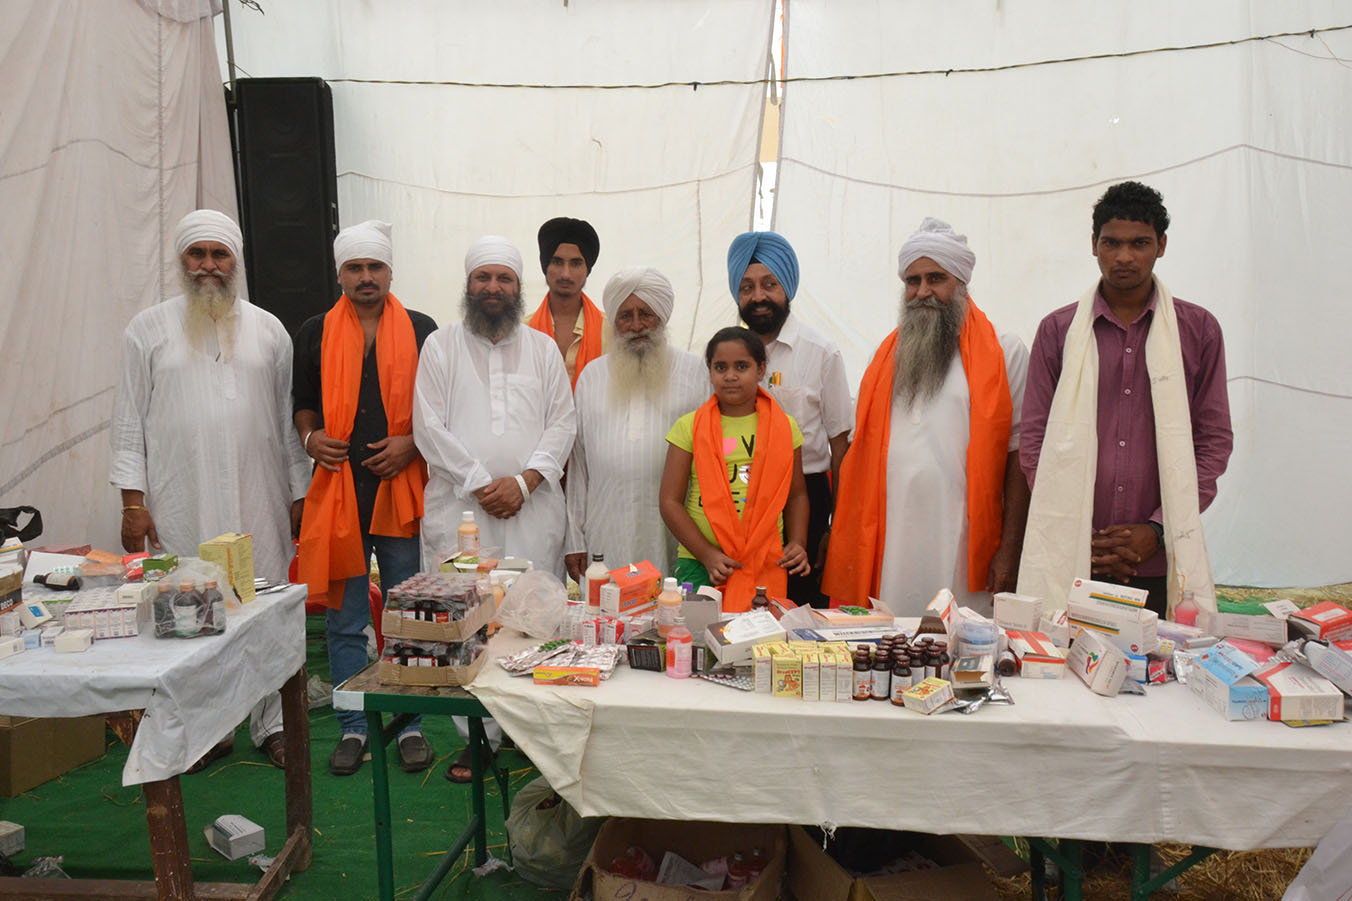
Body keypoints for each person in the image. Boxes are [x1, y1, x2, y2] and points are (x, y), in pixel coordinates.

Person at [110, 209, 310, 771]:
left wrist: (299, 494)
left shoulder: (269, 330)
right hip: (182, 498)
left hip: (258, 496)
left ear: (235, 261)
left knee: (263, 608)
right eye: (197, 254)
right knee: (188, 611)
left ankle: (270, 724)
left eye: (219, 254)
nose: (208, 266)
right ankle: (205, 729)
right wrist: (132, 502)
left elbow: (286, 423)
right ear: (181, 262)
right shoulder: (147, 329)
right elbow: (127, 422)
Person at [1019, 182, 1232, 616]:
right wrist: (1079, 531)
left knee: (1159, 658)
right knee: (1061, 656)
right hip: (1073, 555)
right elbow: (1035, 440)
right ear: (1093, 245)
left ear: (1162, 246)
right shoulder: (1058, 331)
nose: (1124, 257)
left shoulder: (1198, 330)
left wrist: (1157, 528)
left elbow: (1213, 441)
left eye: (1139, 243)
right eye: (1112, 243)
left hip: (1157, 559)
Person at [414, 236, 575, 781]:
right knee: (469, 619)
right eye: (483, 277)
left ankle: (532, 731)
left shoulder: (544, 349)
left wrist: (524, 483)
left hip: (532, 507)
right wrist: (484, 483)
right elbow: (427, 427)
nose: (493, 287)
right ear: (468, 285)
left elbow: (563, 424)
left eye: (503, 278)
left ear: (518, 287)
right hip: (463, 509)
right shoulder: (440, 346)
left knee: (534, 614)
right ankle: (478, 738)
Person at [822, 218, 1029, 616]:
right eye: (912, 281)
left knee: (960, 639)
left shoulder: (1006, 350)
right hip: (891, 539)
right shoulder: (884, 358)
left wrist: (1010, 549)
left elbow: (1020, 455)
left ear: (961, 282)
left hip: (964, 543)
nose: (922, 292)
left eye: (936, 279)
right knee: (892, 635)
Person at [292, 220, 438, 776]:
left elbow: (440, 406)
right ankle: (353, 726)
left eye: (375, 267)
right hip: (339, 493)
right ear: (340, 275)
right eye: (355, 268)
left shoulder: (421, 329)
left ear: (390, 272)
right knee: (345, 619)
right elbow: (302, 403)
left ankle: (411, 724)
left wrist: (412, 442)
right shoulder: (314, 331)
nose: (366, 277)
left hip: (400, 490)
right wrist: (311, 438)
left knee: (407, 614)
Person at [728, 231, 853, 607]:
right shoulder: (726, 356)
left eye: (770, 284)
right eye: (747, 287)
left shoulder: (821, 352)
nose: (758, 297)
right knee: (741, 607)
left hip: (807, 499)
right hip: (740, 497)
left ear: (788, 287)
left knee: (801, 612)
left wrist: (836, 527)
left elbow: (841, 446)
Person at [563, 267, 708, 581]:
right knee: (606, 607)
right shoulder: (591, 376)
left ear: (662, 317)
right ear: (614, 321)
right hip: (605, 531)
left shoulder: (695, 371)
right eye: (625, 316)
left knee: (671, 605)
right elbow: (578, 466)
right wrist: (574, 539)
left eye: (646, 314)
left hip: (673, 533)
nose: (637, 325)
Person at [658, 327, 810, 611]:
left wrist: (798, 542)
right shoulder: (688, 426)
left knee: (758, 635)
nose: (730, 376)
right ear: (710, 372)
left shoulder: (785, 428)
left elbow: (797, 495)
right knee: (696, 634)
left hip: (764, 559)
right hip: (700, 561)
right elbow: (669, 501)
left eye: (741, 366)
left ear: (761, 370)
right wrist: (706, 554)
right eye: (720, 367)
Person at [527, 217, 606, 390]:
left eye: (575, 263)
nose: (565, 274)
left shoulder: (611, 330)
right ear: (545, 267)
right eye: (557, 262)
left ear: (587, 269)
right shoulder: (523, 331)